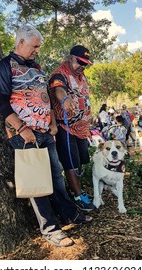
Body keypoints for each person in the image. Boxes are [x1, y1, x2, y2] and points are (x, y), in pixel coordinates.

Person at [0, 25, 92, 248]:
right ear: (20, 43)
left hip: (46, 131)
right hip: (25, 134)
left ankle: (68, 214)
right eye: (34, 46)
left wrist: (53, 122)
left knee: (56, 175)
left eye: (38, 46)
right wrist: (21, 128)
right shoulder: (5, 66)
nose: (37, 50)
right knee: (36, 182)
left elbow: (44, 96)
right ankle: (50, 230)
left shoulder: (36, 66)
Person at [48, 45, 94, 212]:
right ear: (70, 57)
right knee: (71, 164)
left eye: (85, 63)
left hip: (82, 129)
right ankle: (77, 196)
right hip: (66, 129)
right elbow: (58, 88)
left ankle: (79, 190)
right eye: (80, 62)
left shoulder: (81, 75)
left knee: (81, 161)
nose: (82, 66)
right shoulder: (59, 74)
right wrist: (65, 98)